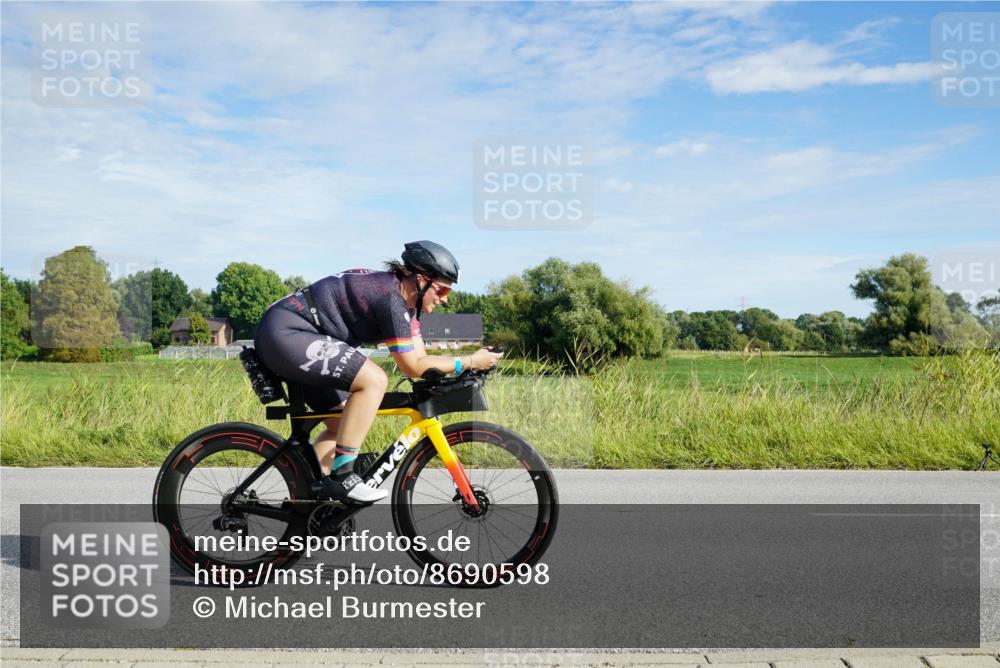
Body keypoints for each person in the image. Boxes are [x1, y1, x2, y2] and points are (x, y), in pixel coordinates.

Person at [253, 240, 503, 503]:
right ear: (421, 279)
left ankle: (307, 501)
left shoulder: (408, 307)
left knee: (341, 424)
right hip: (286, 332)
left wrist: (466, 363)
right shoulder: (390, 298)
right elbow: (412, 366)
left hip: (301, 336)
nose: (445, 299)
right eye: (441, 291)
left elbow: (421, 360)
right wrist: (471, 361)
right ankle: (343, 477)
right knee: (374, 380)